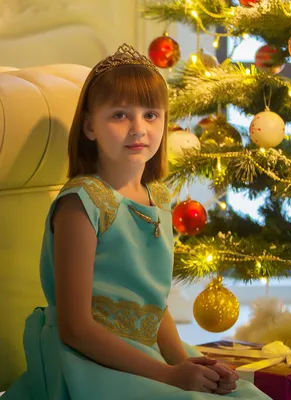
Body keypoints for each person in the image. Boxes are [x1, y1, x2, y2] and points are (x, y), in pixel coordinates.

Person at [3, 43, 271, 400]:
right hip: (88, 362)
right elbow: (75, 329)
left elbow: (153, 305)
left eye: (150, 114)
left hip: (149, 357)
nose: (137, 128)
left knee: (245, 396)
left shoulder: (158, 197)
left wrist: (188, 366)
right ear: (89, 126)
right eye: (118, 115)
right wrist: (170, 376)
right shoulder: (82, 204)